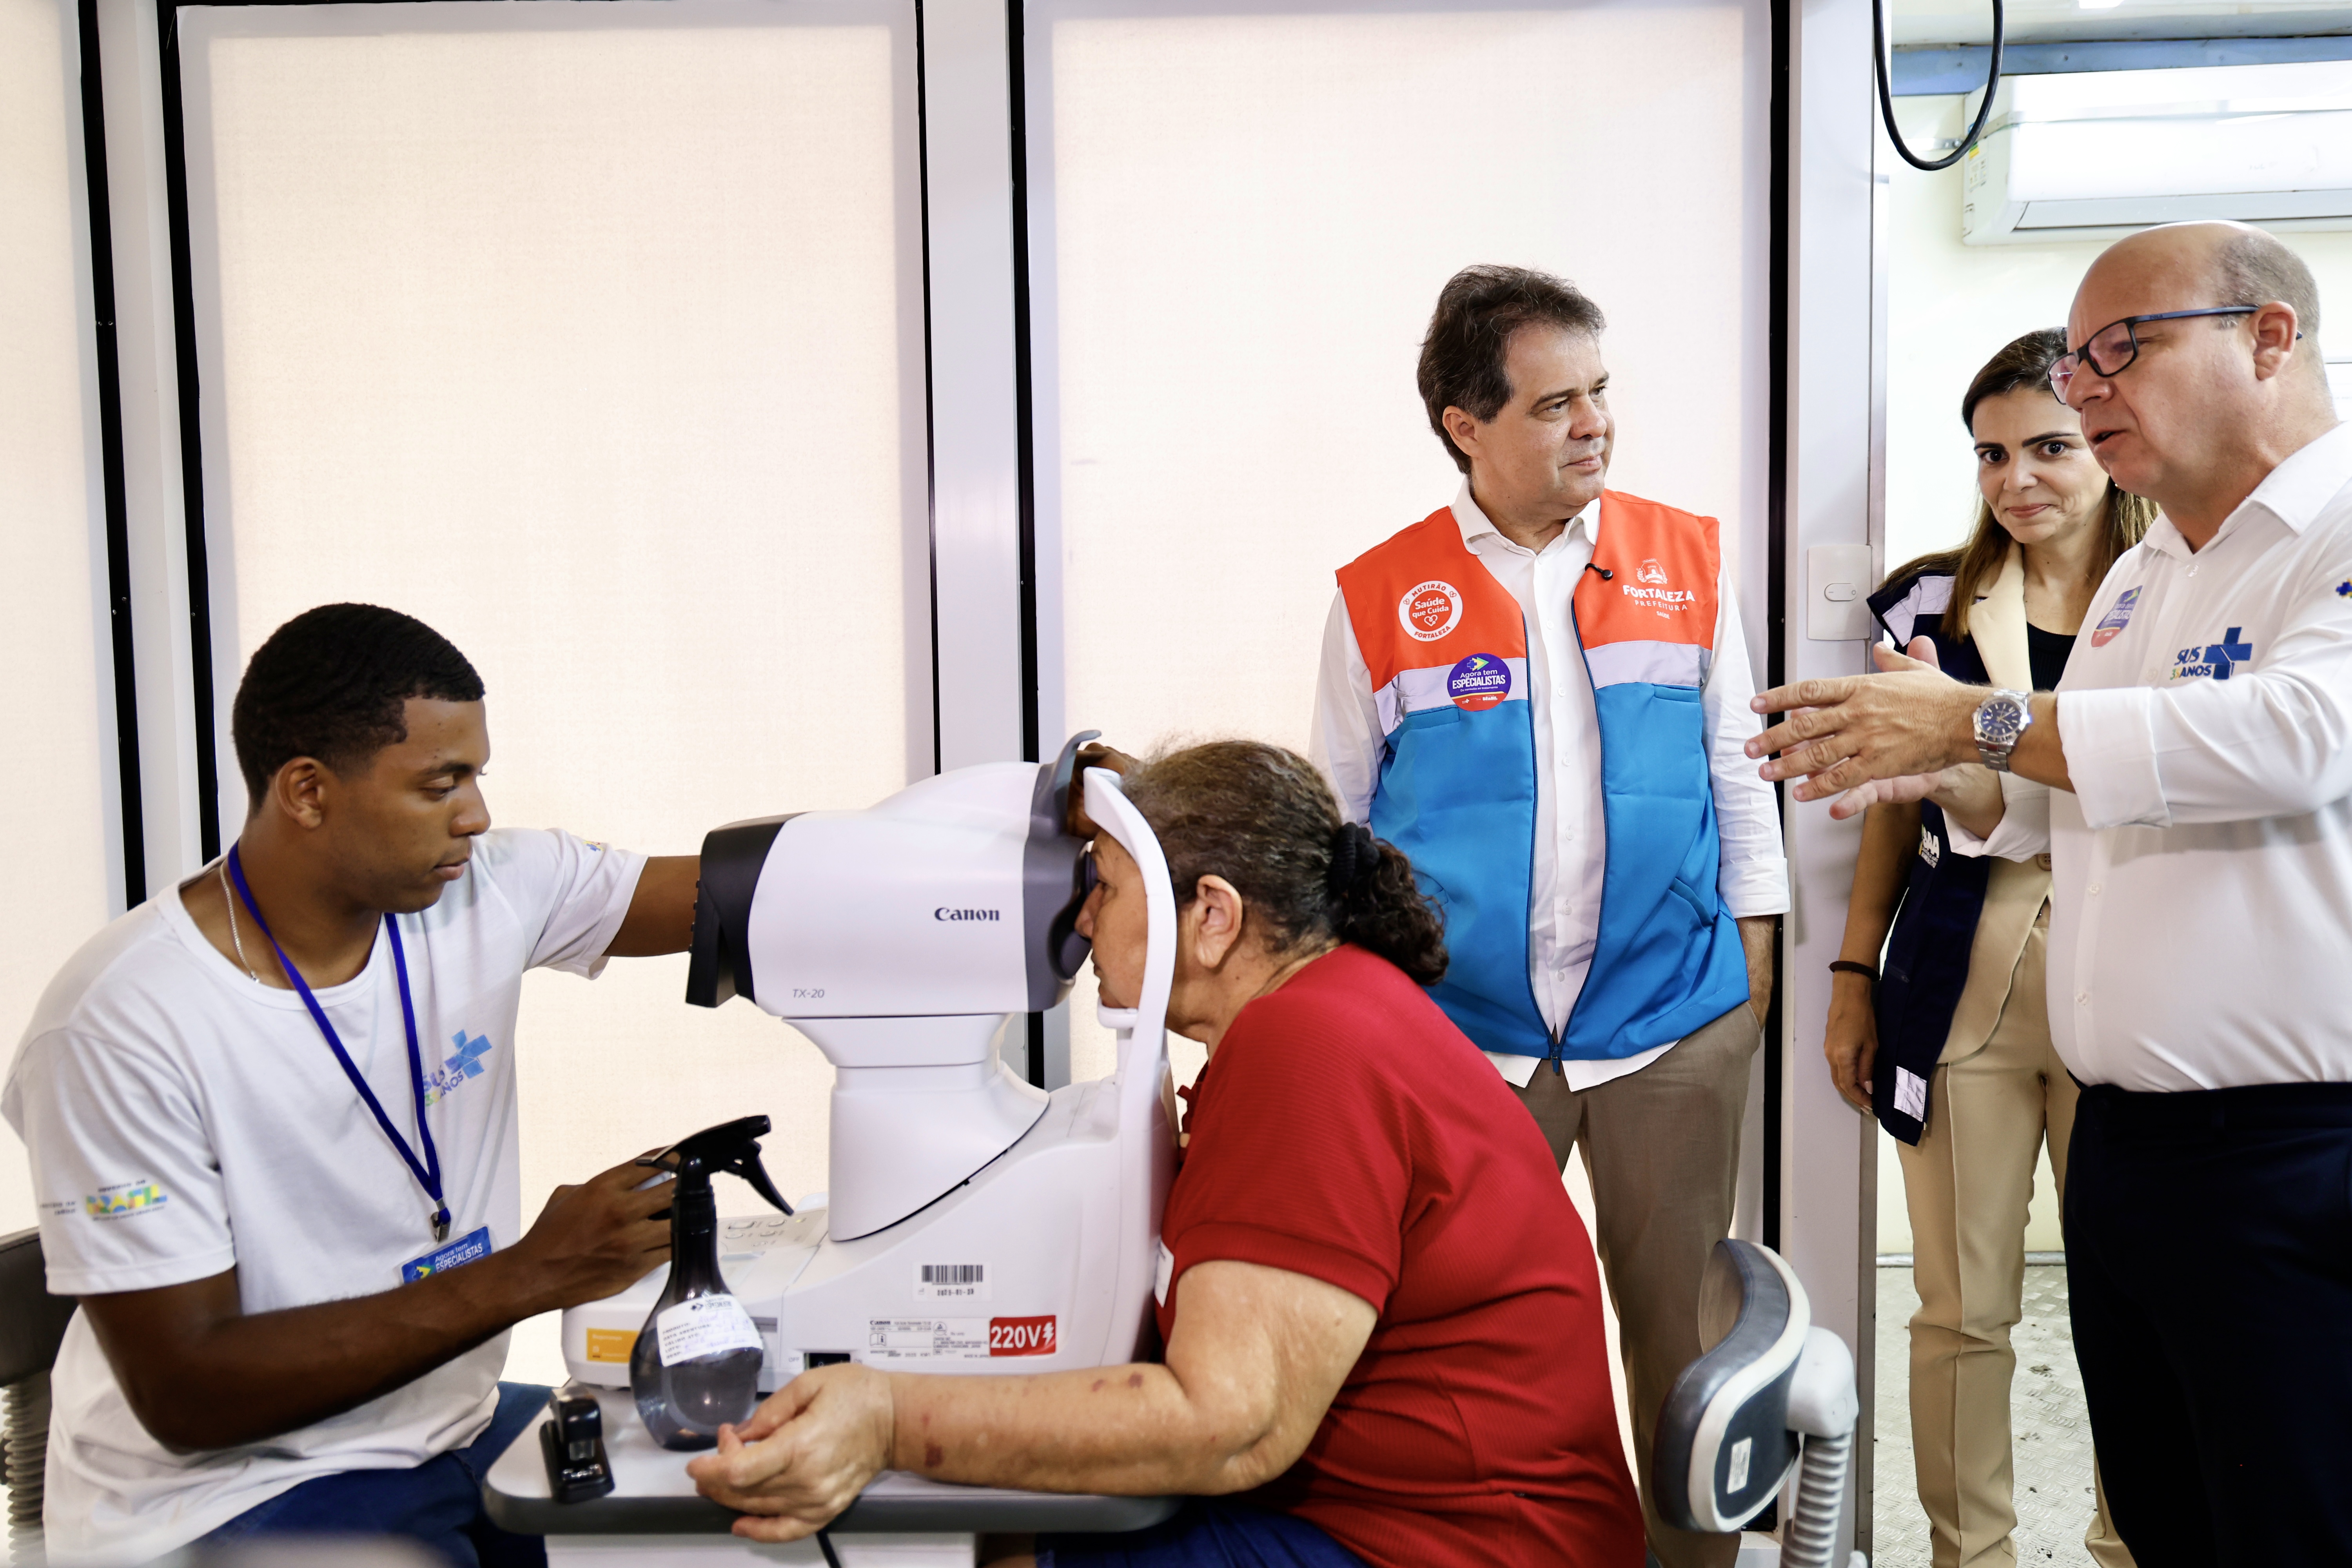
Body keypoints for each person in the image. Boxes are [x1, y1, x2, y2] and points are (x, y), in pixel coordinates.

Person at [1748, 221, 2352, 1564]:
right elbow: (2041, 799)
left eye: (2119, 351)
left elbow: (2300, 737)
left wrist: (1972, 725)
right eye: (2074, 362)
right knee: (2171, 1500)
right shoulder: (2159, 570)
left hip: (2292, 1153)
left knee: (2291, 1510)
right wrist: (1918, 753)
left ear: (2268, 337)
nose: (2083, 390)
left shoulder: (2336, 527)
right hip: (2142, 1149)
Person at [686, 740, 1645, 1568]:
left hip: (1456, 1544)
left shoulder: (1305, 1051)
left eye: (1103, 882)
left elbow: (1227, 1422)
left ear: (1214, 915)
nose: (1082, 919)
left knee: (982, 1553)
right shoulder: (1329, 1008)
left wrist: (889, 1415)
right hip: (1428, 1517)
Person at [2, 604, 701, 1567]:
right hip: (227, 1491)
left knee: (722, 1488)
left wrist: (929, 853)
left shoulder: (482, 887)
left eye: (477, 776)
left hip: (451, 1425)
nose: (477, 814)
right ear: (306, 791)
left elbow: (734, 897)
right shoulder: (119, 1024)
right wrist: (536, 1271)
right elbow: (188, 1392)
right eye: (439, 784)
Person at [1307, 265, 1787, 1567]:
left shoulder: (1685, 560)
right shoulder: (1377, 595)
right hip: (1462, 1044)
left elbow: (1741, 779)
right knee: (1464, 1352)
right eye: (1555, 402)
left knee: (1684, 1345)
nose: (1594, 426)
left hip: (1671, 1022)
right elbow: (1342, 833)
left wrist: (1750, 976)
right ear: (1468, 424)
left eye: (1601, 394)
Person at [1827, 328, 2148, 1568]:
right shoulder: (1928, 604)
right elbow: (1890, 808)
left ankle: (2133, 1541)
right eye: (1993, 454)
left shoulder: (2167, 593)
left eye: (2051, 447)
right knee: (1961, 1307)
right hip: (1965, 957)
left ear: (2108, 452)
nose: (2019, 479)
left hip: (2132, 956)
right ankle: (1972, 1555)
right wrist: (1854, 977)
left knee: (2128, 1304)